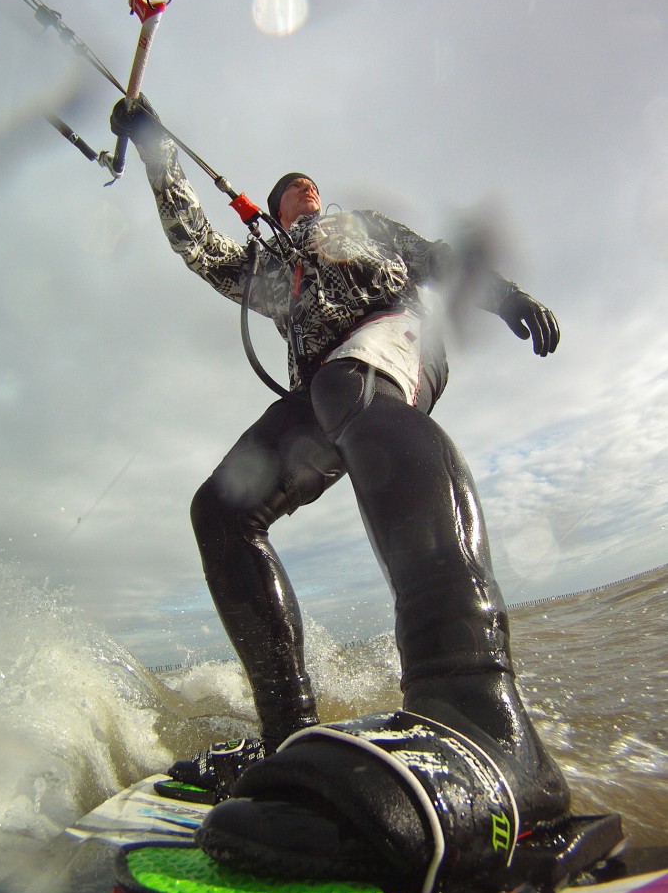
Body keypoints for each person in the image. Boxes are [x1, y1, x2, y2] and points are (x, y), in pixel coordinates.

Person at [110, 100, 569, 830]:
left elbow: (437, 257)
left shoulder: (358, 227)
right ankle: (287, 736)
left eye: (311, 188)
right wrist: (154, 149)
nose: (305, 193)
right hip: (325, 389)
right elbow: (197, 244)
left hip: (390, 341)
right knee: (221, 512)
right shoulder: (267, 267)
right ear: (275, 206)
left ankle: (478, 712)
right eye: (292, 190)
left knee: (342, 383)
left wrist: (504, 297)